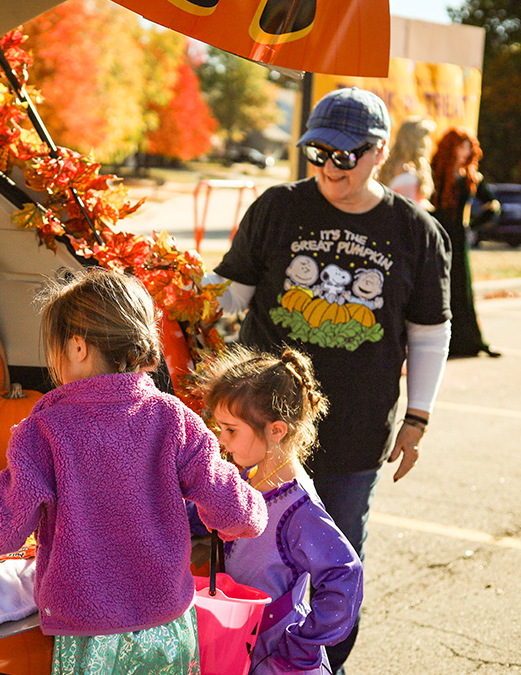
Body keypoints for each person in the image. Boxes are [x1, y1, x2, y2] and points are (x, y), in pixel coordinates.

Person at [203, 87, 452, 674]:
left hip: (354, 431)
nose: (328, 169)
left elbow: (428, 334)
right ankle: (242, 658)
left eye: (344, 157)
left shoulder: (415, 230)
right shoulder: (278, 207)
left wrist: (417, 419)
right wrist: (166, 303)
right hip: (257, 432)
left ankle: (321, 664)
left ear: (379, 153)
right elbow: (227, 294)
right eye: (317, 154)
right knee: (246, 554)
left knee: (335, 558)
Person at [0, 267, 268, 675]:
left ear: (76, 347)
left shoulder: (46, 427)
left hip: (89, 635)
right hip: (168, 625)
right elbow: (238, 516)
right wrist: (253, 502)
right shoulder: (172, 418)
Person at [191, 344, 362, 675]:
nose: (221, 439)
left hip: (276, 657)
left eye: (231, 430)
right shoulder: (249, 474)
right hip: (236, 642)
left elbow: (345, 574)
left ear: (276, 430)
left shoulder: (300, 510)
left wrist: (302, 646)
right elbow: (205, 514)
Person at [430, 127, 502, 358]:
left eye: (469, 147)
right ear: (451, 147)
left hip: (459, 240)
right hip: (436, 236)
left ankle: (470, 340)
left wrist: (472, 224)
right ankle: (443, 340)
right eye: (462, 146)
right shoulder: (435, 174)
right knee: (439, 288)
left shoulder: (471, 177)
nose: (465, 152)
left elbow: (493, 206)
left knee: (462, 288)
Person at [378, 115, 437, 209]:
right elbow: (408, 207)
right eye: (424, 137)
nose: (428, 141)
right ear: (413, 140)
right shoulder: (404, 169)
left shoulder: (414, 165)